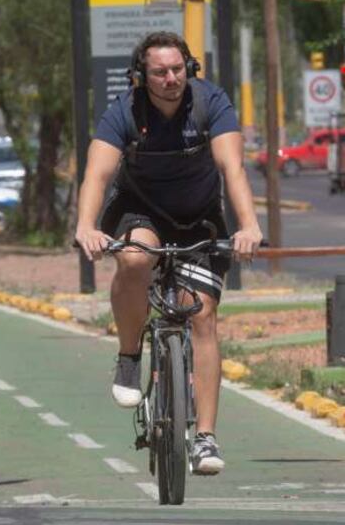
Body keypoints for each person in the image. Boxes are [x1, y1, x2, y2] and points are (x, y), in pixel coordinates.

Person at [74, 31, 263, 475]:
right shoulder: (124, 112)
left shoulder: (211, 103)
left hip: (199, 216)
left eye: (178, 69)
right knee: (135, 258)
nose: (171, 78)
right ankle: (128, 357)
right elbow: (97, 174)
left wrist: (249, 225)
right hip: (140, 210)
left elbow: (232, 167)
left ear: (190, 69)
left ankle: (205, 438)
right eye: (160, 72)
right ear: (142, 77)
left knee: (202, 315)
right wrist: (86, 226)